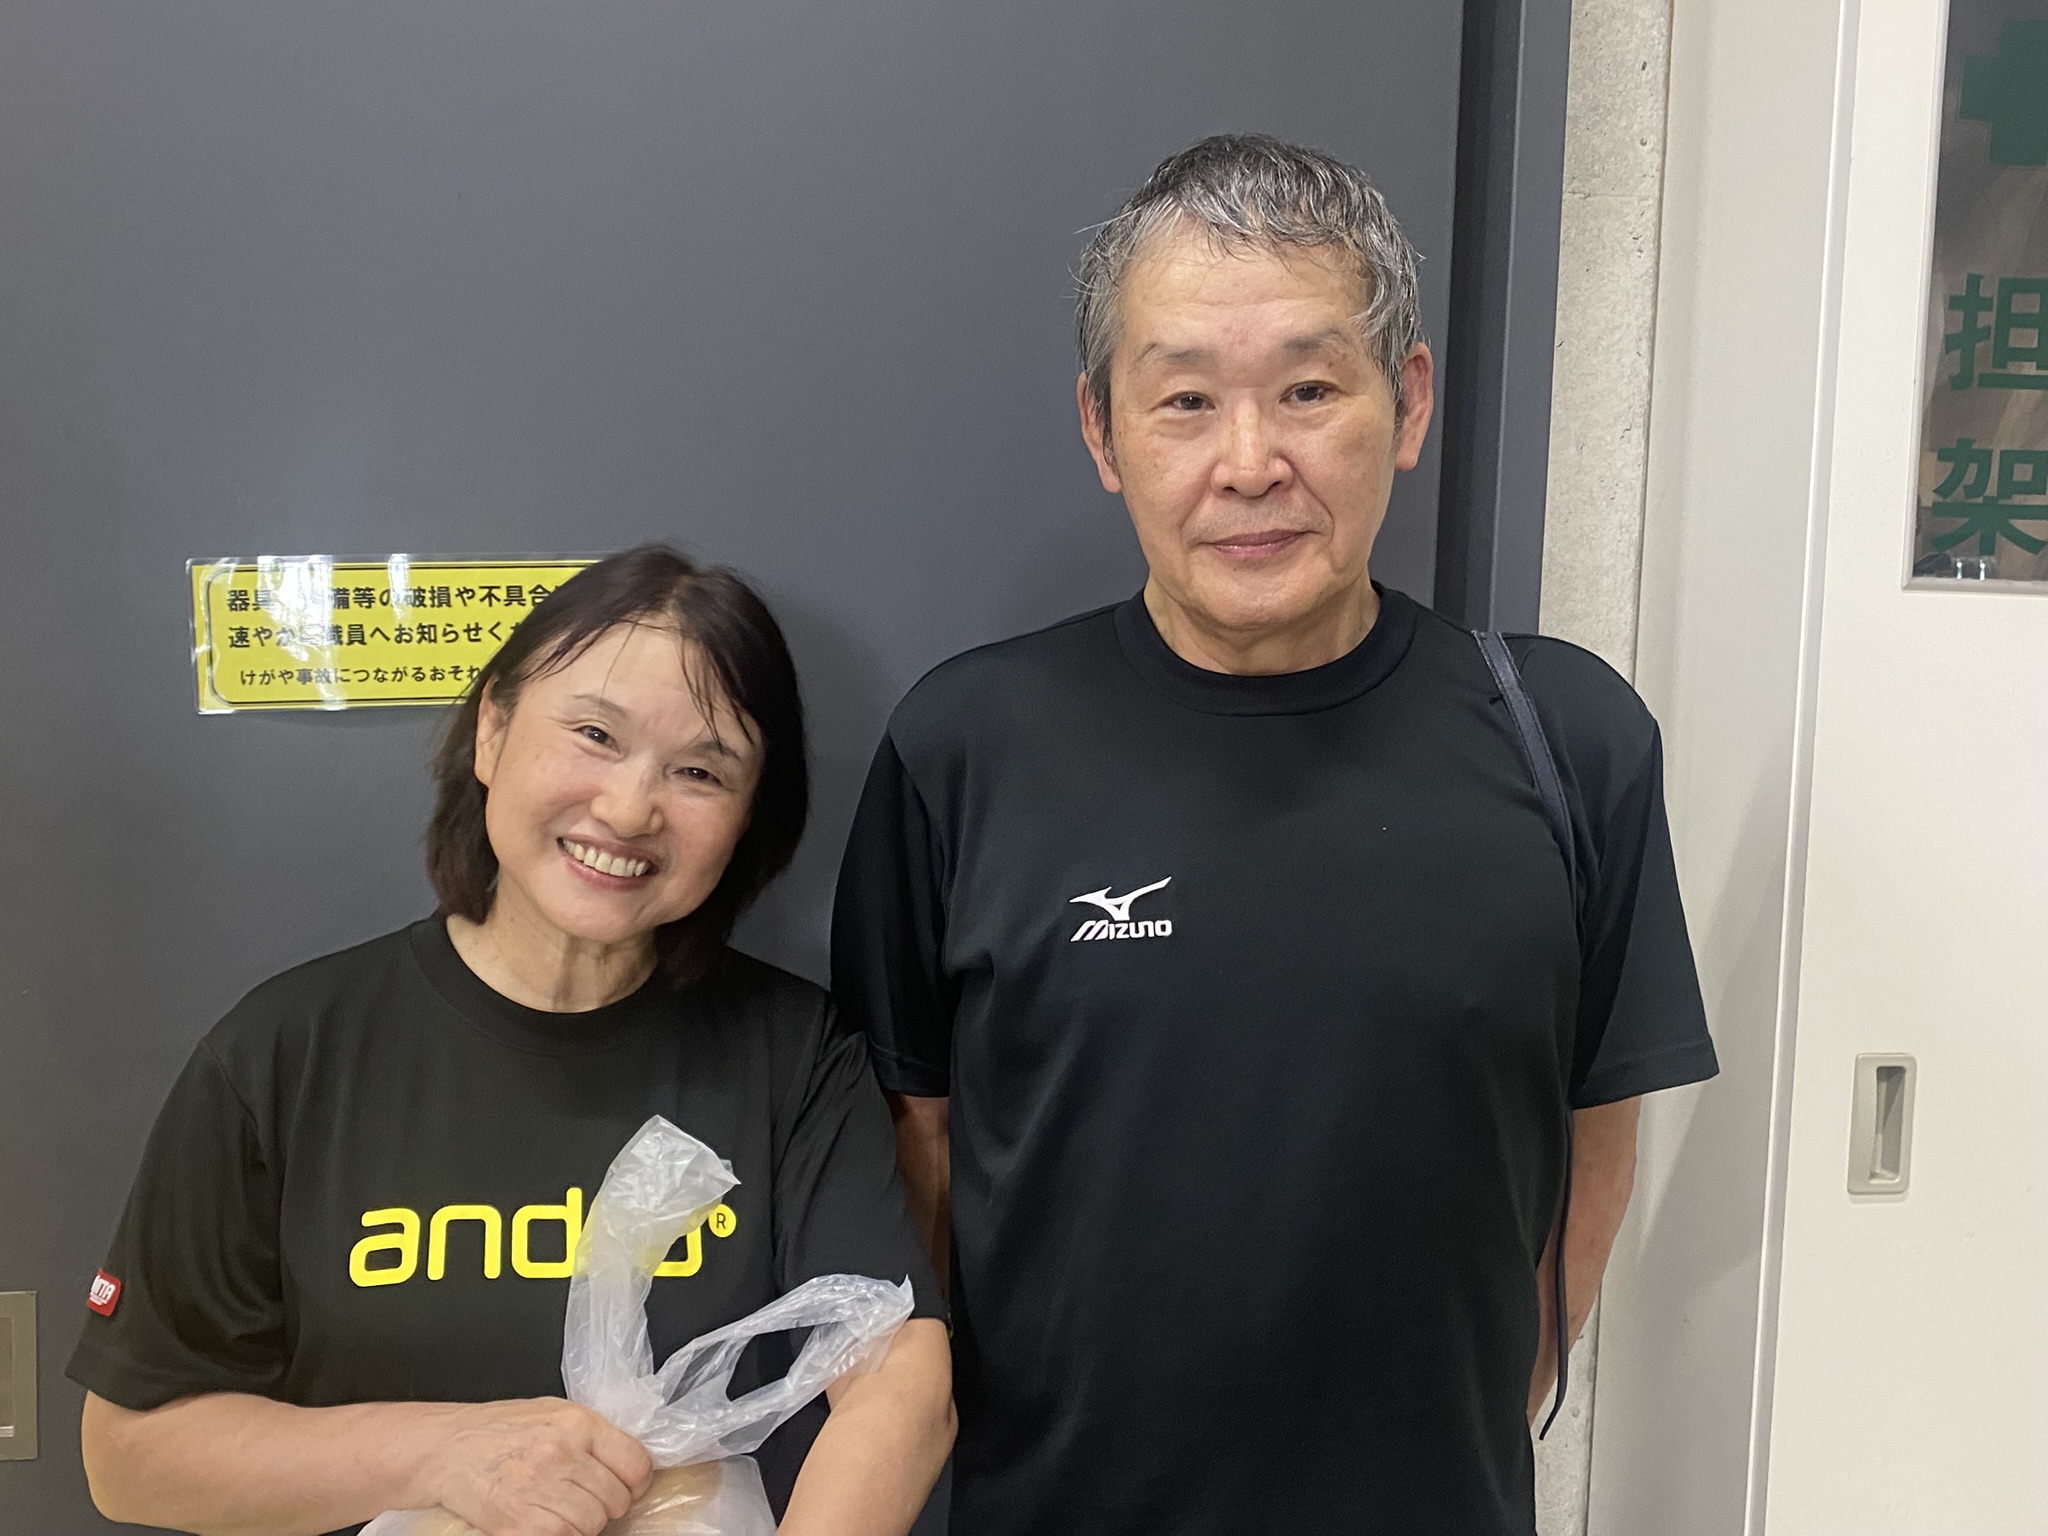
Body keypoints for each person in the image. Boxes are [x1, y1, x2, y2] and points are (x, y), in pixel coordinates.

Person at [832, 135, 1718, 1535]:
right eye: (1184, 400)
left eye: (1309, 389)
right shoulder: (967, 745)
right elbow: (916, 1141)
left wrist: (1495, 1398)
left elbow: (1594, 1112)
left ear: (1407, 403)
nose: (1249, 464)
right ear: (1102, 432)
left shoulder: (1567, 738)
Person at [72, 546, 954, 1536]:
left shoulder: (794, 1052)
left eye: (700, 772)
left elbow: (898, 1379)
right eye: (594, 735)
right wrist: (444, 1454)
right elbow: (130, 1453)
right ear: (492, 731)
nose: (629, 808)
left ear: (751, 820)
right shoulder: (287, 1050)